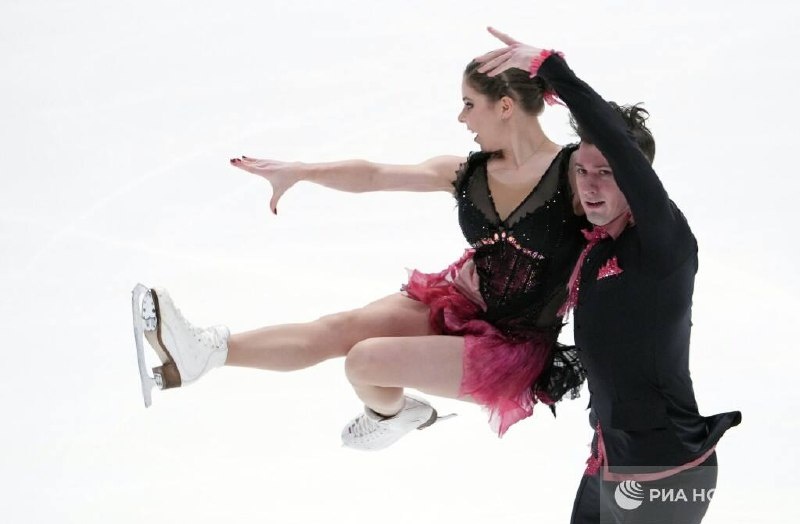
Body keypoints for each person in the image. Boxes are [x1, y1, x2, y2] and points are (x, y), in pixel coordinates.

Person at [131, 52, 589, 451]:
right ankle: (205, 353)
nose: (461, 118)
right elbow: (375, 175)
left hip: (512, 347)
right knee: (339, 328)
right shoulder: (468, 172)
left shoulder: (576, 173)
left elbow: (622, 165)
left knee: (364, 361)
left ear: (505, 106)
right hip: (462, 301)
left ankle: (392, 414)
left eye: (470, 104)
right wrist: (301, 171)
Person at [475, 28, 741, 524]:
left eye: (607, 172)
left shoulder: (663, 243)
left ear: (634, 176)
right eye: (582, 171)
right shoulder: (595, 251)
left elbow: (618, 145)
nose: (589, 186)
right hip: (608, 461)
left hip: (667, 469)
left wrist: (551, 69)